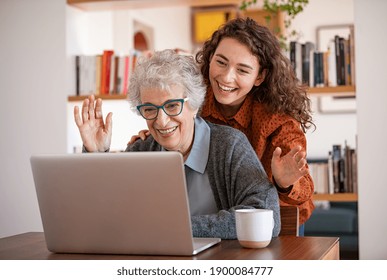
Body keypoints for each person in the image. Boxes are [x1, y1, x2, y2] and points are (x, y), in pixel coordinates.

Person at [74, 49, 280, 239]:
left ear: (193, 104)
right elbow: (106, 216)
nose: (161, 121)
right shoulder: (142, 149)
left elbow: (267, 217)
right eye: (149, 109)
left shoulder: (229, 145)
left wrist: (177, 228)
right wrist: (96, 154)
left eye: (172, 105)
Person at [195, 17, 315, 236]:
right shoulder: (194, 102)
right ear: (210, 59)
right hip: (215, 217)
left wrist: (284, 183)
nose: (226, 77)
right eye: (221, 62)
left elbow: (305, 188)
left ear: (259, 76)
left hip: (275, 223)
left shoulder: (279, 121)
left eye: (242, 70)